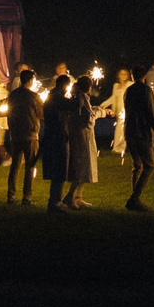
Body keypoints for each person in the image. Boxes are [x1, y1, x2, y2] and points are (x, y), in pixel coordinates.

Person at [123, 66, 154, 209]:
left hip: (129, 131)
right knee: (149, 166)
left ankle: (135, 201)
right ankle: (134, 198)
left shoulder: (129, 91)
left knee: (137, 165)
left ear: (132, 76)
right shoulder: (146, 90)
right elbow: (152, 112)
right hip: (141, 132)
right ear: (144, 76)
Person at [6, 68, 43, 203]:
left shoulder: (13, 95)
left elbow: (9, 112)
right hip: (30, 134)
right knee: (29, 166)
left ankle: (11, 195)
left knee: (15, 166)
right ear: (30, 80)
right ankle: (26, 197)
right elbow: (41, 114)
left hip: (15, 134)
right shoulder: (33, 96)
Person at [63, 71, 100, 208]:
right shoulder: (79, 98)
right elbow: (85, 118)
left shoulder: (82, 97)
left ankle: (78, 196)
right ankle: (69, 196)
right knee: (81, 165)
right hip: (81, 136)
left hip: (85, 135)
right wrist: (97, 113)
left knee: (85, 165)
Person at [40, 74, 73, 211]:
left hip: (52, 136)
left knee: (57, 170)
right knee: (59, 170)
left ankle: (55, 201)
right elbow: (74, 105)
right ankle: (55, 202)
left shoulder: (51, 96)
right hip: (57, 136)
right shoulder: (57, 98)